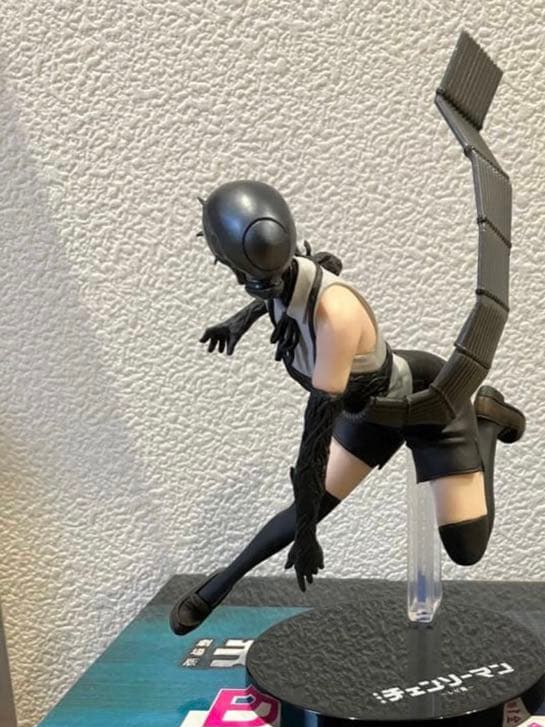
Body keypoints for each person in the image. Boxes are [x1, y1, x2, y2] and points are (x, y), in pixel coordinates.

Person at [170, 180, 524, 635]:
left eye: (255, 279)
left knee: (466, 548)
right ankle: (214, 590)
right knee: (307, 505)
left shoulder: (334, 316)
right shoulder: (285, 276)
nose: (251, 287)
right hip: (370, 410)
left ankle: (486, 421)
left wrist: (308, 535)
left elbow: (314, 439)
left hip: (429, 399)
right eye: (242, 276)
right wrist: (237, 322)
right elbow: (280, 295)